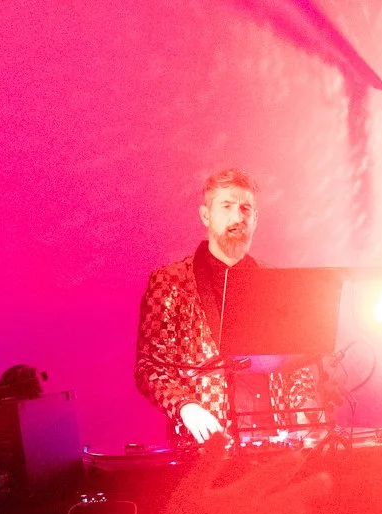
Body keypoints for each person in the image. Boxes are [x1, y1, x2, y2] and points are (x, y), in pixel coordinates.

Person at [134, 168, 319, 448]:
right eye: (226, 206)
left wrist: (304, 406)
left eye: (246, 209)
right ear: (205, 215)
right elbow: (149, 367)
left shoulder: (274, 280)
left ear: (256, 218)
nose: (237, 217)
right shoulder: (171, 282)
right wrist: (186, 407)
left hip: (278, 443)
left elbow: (296, 362)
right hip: (207, 449)